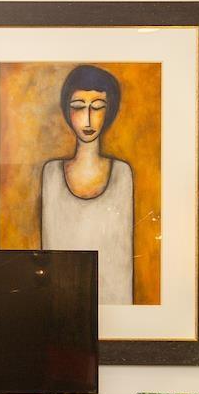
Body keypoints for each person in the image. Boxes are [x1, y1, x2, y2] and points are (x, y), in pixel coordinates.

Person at [38, 63, 133, 304]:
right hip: (60, 304)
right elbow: (51, 258)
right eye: (79, 107)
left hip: (116, 304)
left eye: (98, 107)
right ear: (67, 111)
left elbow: (122, 262)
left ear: (109, 111)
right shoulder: (51, 175)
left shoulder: (122, 175)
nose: (88, 119)